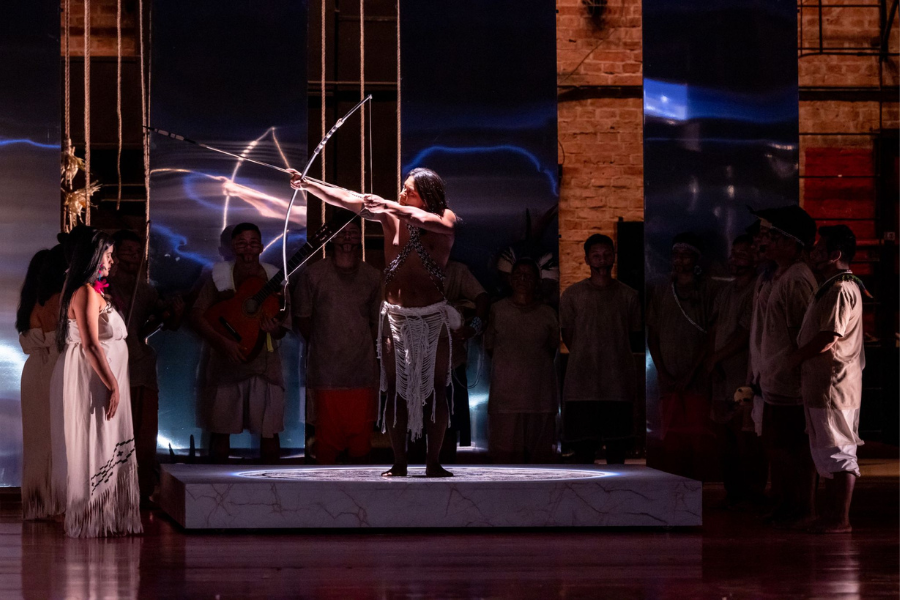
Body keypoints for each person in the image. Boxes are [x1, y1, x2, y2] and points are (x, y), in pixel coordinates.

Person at [291, 167, 459, 477]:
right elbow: (346, 199)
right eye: (402, 189)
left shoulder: (444, 217)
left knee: (436, 389)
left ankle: (433, 462)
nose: (401, 194)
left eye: (409, 191)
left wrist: (389, 205)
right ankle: (400, 462)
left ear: (426, 195)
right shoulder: (389, 215)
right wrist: (308, 183)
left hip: (432, 316)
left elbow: (427, 222)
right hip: (396, 317)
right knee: (395, 389)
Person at [50, 228, 142, 537]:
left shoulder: (92, 289)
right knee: (97, 437)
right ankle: (93, 514)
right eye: (107, 254)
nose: (111, 260)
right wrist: (112, 383)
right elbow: (90, 344)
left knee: (105, 437)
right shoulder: (85, 292)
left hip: (102, 374)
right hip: (95, 377)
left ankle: (108, 514)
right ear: (92, 257)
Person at [191, 223, 289, 462]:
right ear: (233, 246)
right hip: (226, 366)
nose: (248, 247)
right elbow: (197, 315)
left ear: (262, 247)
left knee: (270, 434)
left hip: (265, 369)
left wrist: (275, 330)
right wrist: (223, 343)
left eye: (253, 242)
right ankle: (215, 493)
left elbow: (284, 327)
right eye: (242, 242)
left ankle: (273, 491)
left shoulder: (275, 279)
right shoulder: (219, 275)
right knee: (220, 434)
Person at [790, 225, 865, 533]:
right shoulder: (833, 286)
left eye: (819, 250)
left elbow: (828, 336)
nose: (813, 255)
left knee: (839, 450)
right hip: (823, 384)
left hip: (834, 384)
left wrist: (797, 356)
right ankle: (831, 516)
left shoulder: (840, 289)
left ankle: (840, 518)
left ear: (835, 255)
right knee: (826, 449)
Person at [293, 219, 382, 465]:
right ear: (331, 239)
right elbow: (303, 319)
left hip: (361, 371)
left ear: (360, 239)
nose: (347, 238)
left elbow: (377, 324)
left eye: (353, 233)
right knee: (327, 443)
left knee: (360, 442)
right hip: (326, 373)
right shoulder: (314, 274)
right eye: (342, 233)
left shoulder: (373, 277)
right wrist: (325, 344)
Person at [750, 205, 818, 526]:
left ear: (792, 243)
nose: (767, 241)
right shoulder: (774, 275)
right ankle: (784, 501)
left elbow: (803, 333)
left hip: (791, 382)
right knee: (777, 447)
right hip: (773, 378)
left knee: (794, 448)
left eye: (774, 236)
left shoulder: (797, 279)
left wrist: (792, 366)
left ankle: (801, 506)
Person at [107, 230, 184, 503]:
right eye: (126, 250)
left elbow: (158, 325)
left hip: (139, 364)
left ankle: (139, 491)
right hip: (109, 366)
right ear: (113, 254)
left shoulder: (146, 290)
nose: (132, 255)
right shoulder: (102, 286)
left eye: (136, 251)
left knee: (143, 432)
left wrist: (172, 312)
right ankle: (110, 489)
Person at [560, 234, 642, 465]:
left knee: (617, 451)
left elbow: (634, 334)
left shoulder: (629, 295)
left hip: (618, 382)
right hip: (582, 384)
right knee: (584, 450)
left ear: (614, 257)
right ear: (587, 260)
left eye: (606, 255)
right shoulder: (573, 295)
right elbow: (569, 335)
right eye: (596, 256)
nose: (602, 260)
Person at [647, 232, 717, 479]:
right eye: (676, 255)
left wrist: (692, 372)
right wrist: (663, 372)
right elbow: (652, 333)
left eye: (686, 255)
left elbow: (712, 335)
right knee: (672, 434)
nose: (679, 260)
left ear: (696, 259)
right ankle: (676, 483)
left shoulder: (708, 290)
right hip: (669, 377)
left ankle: (699, 484)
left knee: (698, 433)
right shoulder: (662, 290)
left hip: (697, 378)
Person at [704, 235, 767, 507]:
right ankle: (733, 492)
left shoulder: (757, 290)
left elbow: (745, 333)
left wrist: (716, 357)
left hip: (744, 375)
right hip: (722, 374)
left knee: (746, 437)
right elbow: (715, 328)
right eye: (733, 254)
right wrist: (712, 360)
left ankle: (753, 493)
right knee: (725, 437)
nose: (735, 259)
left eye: (742, 254)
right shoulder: (725, 292)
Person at [485, 259, 559, 463]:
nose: (522, 279)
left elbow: (552, 348)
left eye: (528, 275)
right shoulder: (497, 310)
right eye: (517, 274)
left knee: (541, 463)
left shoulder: (548, 314)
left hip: (540, 399)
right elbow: (490, 346)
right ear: (510, 280)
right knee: (504, 461)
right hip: (505, 401)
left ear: (537, 282)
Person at [17, 244, 67, 519]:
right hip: (51, 368)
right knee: (52, 437)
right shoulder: (55, 301)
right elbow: (60, 340)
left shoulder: (28, 304)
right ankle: (54, 502)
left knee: (36, 438)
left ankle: (38, 502)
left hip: (33, 371)